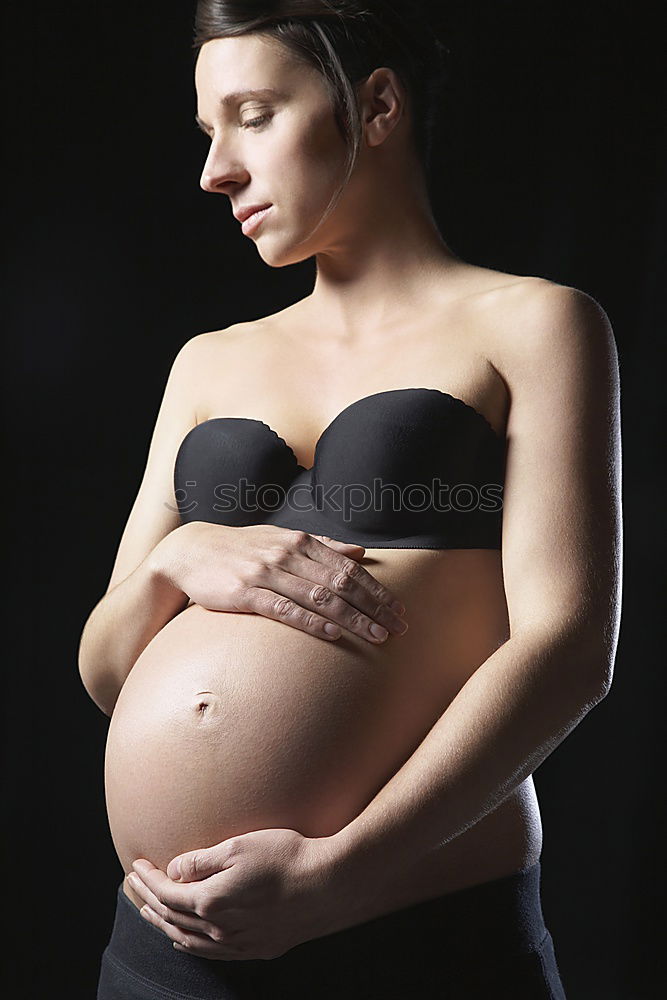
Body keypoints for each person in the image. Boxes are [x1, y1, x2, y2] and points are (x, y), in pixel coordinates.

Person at [81, 2, 622, 998]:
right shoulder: (209, 361)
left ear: (375, 105)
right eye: (208, 133)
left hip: (417, 932)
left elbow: (568, 650)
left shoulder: (535, 327)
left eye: (252, 114)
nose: (215, 172)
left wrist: (339, 876)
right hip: (171, 951)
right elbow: (109, 669)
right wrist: (176, 558)